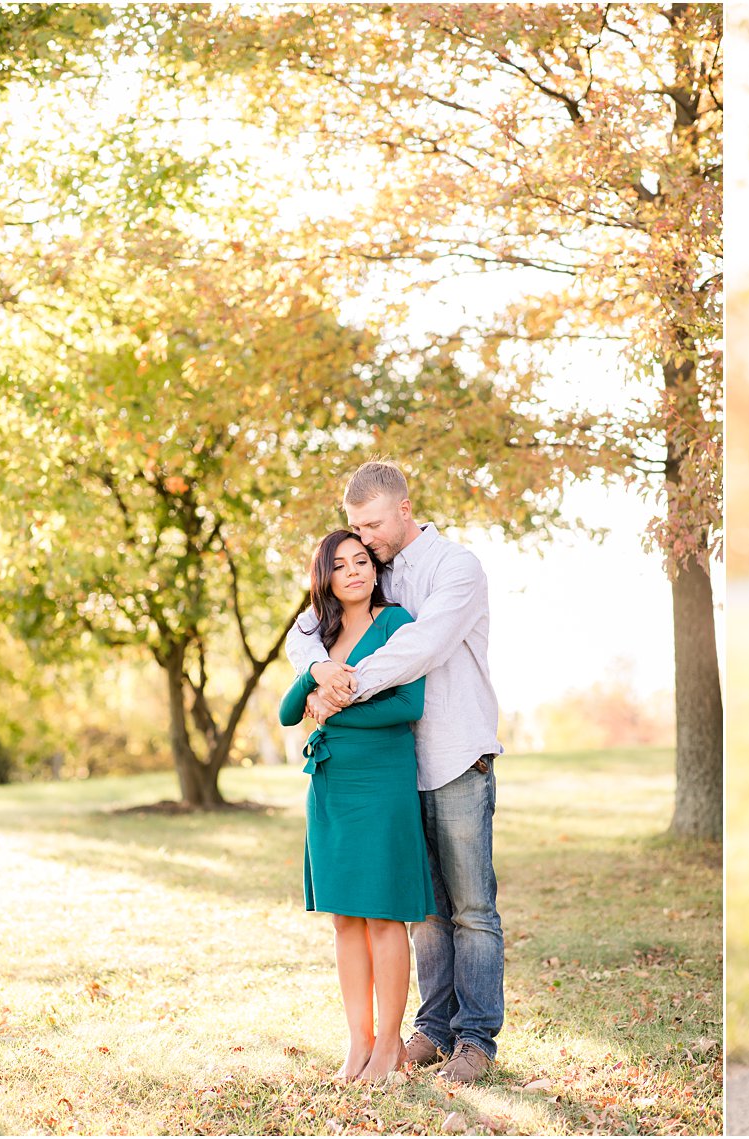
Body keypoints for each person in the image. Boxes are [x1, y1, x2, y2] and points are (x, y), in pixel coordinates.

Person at [287, 460, 505, 1087]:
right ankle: (433, 1032)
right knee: (425, 909)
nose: (366, 537)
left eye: (374, 525)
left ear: (405, 510)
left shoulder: (455, 569)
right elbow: (310, 627)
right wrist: (317, 671)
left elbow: (421, 648)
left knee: (470, 908)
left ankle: (476, 1040)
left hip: (458, 753)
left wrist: (344, 686)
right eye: (356, 527)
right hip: (395, 768)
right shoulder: (375, 572)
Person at [279, 529, 434, 1083]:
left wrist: (332, 712)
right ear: (326, 575)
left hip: (382, 782)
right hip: (332, 783)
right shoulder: (316, 637)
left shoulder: (396, 623)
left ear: (374, 568)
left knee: (384, 917)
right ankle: (358, 1043)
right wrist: (314, 680)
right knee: (346, 917)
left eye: (361, 560)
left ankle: (390, 1046)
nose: (353, 570)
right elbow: (285, 712)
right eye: (340, 563)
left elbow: (408, 705)